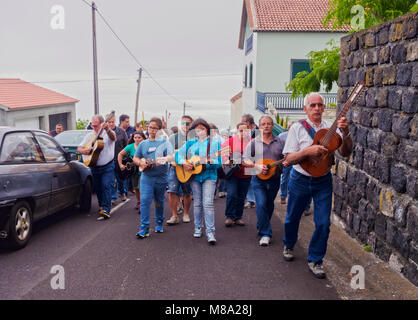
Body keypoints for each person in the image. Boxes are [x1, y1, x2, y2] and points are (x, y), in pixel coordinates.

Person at [281, 92, 353, 279]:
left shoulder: (332, 127)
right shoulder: (297, 128)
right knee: (291, 218)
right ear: (305, 108)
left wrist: (345, 133)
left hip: (323, 180)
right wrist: (307, 151)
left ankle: (315, 259)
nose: (317, 109)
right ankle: (289, 243)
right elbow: (288, 158)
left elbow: (346, 152)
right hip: (300, 179)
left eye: (320, 105)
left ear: (324, 108)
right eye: (312, 105)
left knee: (323, 223)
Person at [175, 118, 221, 245]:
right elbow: (177, 155)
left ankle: (210, 232)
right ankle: (198, 227)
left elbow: (219, 163)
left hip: (209, 176)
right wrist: (184, 163)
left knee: (208, 203)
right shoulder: (191, 143)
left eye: (202, 128)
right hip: (194, 177)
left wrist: (210, 162)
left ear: (207, 129)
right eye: (197, 129)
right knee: (197, 203)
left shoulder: (214, 143)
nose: (199, 131)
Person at [243, 115, 285, 246]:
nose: (266, 126)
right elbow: (245, 160)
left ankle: (262, 224)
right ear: (259, 127)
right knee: (261, 203)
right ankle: (265, 233)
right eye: (263, 124)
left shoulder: (280, 142)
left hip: (274, 178)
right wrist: (256, 166)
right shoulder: (254, 142)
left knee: (269, 204)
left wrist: (286, 162)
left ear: (272, 126)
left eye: (269, 124)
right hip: (258, 179)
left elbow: (287, 157)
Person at [133, 117, 173, 238]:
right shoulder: (143, 143)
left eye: (155, 128)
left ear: (159, 130)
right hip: (146, 177)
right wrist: (140, 163)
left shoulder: (165, 142)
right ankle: (144, 228)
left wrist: (164, 159)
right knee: (144, 201)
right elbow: (135, 157)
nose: (152, 130)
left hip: (161, 177)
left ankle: (159, 222)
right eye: (150, 127)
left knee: (159, 201)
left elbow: (172, 156)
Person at [78, 114, 116, 219]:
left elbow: (113, 138)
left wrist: (108, 129)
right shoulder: (89, 136)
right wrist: (84, 151)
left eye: (96, 125)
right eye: (92, 125)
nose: (93, 127)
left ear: (102, 124)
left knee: (106, 186)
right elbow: (79, 148)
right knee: (98, 188)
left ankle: (106, 209)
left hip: (107, 166)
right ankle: (101, 206)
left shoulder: (108, 134)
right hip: (93, 166)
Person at [165, 115, 194, 225]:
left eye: (187, 123)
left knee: (187, 192)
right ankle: (174, 215)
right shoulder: (173, 137)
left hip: (188, 168)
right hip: (174, 167)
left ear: (191, 125)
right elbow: (170, 153)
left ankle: (186, 213)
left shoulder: (194, 138)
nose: (185, 126)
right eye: (182, 123)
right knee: (172, 191)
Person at [222, 122, 252, 227]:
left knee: (241, 196)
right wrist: (226, 160)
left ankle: (238, 217)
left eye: (246, 130)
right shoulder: (229, 141)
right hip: (233, 173)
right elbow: (223, 154)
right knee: (232, 194)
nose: (243, 132)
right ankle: (229, 216)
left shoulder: (252, 142)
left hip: (247, 172)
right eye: (241, 130)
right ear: (237, 130)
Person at [118, 131, 146, 211]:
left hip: (144, 170)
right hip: (133, 171)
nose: (137, 139)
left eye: (139, 137)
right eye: (135, 137)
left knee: (141, 187)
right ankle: (139, 201)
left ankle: (142, 204)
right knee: (136, 187)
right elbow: (120, 154)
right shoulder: (130, 147)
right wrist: (121, 165)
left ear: (143, 138)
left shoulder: (146, 146)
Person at [109, 115, 129, 203]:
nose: (111, 124)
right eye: (109, 122)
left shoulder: (121, 132)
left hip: (119, 158)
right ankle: (113, 197)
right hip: (108, 160)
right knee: (111, 180)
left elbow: (126, 145)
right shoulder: (104, 132)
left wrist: (125, 157)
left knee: (120, 178)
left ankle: (122, 192)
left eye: (112, 122)